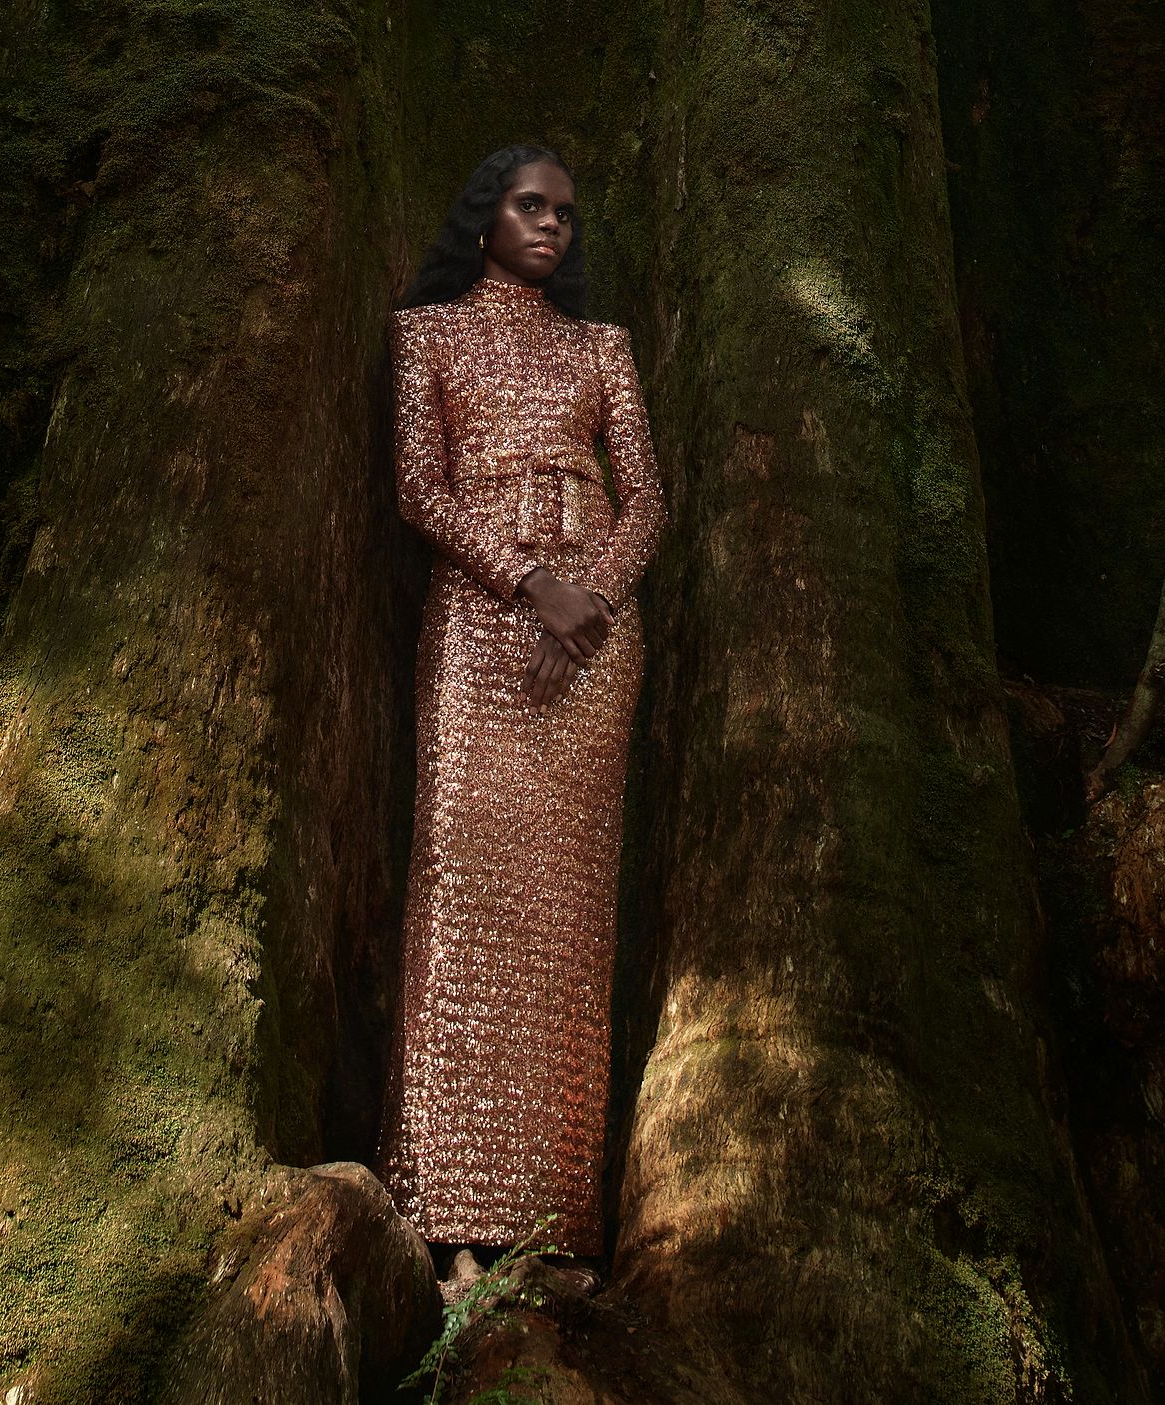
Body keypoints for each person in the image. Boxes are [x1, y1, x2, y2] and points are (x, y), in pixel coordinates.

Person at [375, 144, 666, 1302]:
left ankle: (553, 1228)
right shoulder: (427, 334)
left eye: (565, 215)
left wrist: (589, 599)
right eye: (529, 206)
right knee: (460, 893)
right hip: (481, 621)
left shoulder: (603, 348)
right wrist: (529, 583)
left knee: (569, 917)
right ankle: (441, 1218)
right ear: (484, 215)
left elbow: (647, 499)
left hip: (594, 638)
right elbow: (418, 488)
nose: (551, 226)